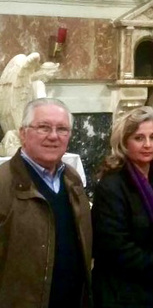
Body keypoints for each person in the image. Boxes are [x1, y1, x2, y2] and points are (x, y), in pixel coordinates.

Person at [0, 97, 92, 307]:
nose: (53, 136)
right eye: (43, 127)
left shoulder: (72, 179)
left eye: (62, 129)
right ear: (23, 133)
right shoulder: (3, 183)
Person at [91, 106, 153, 308]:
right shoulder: (112, 186)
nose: (148, 144)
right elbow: (116, 249)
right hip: (125, 292)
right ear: (124, 142)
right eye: (139, 138)